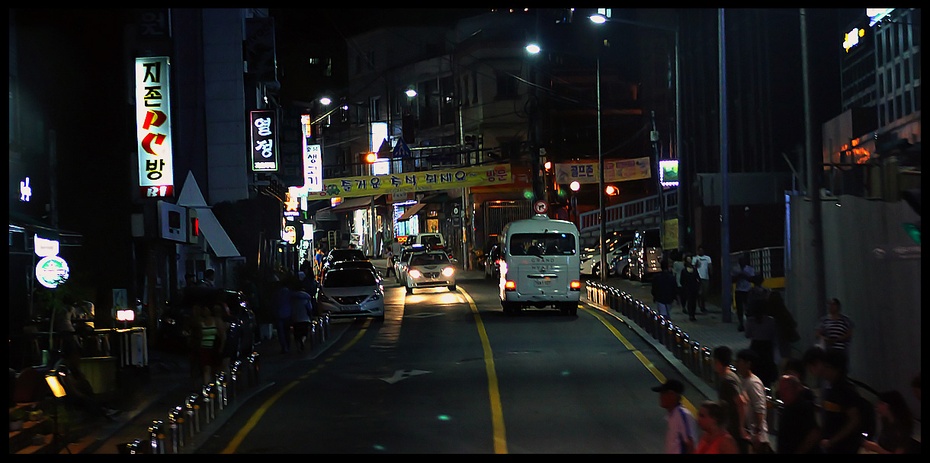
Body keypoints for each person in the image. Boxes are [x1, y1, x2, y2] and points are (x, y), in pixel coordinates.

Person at [818, 348, 864, 454]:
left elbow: (854, 420)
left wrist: (832, 440)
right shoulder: (832, 388)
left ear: (836, 369)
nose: (823, 371)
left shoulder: (845, 390)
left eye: (826, 367)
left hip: (844, 447)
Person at [712, 346, 748, 454]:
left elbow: (741, 401)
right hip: (732, 427)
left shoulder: (728, 380)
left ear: (718, 362)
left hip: (734, 429)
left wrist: (741, 427)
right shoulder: (731, 376)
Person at [735, 348, 772, 454]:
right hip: (750, 434)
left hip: (757, 437)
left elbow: (759, 408)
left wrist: (757, 432)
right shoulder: (743, 380)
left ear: (748, 364)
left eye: (740, 362)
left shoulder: (754, 383)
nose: (737, 364)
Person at [775, 374, 821, 454]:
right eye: (781, 390)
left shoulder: (803, 407)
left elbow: (813, 434)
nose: (782, 393)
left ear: (795, 389)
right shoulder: (788, 408)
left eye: (785, 389)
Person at [859, 390, 916, 454]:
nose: (877, 406)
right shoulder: (885, 421)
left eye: (880, 403)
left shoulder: (902, 428)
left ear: (887, 406)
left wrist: (876, 448)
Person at [651, 379, 697, 454]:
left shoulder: (683, 415)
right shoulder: (672, 415)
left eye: (663, 393)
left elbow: (691, 444)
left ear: (672, 395)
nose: (660, 397)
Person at [744, 299, 779, 388]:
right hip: (767, 348)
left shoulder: (751, 321)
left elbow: (747, 334)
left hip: (756, 346)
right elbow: (774, 335)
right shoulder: (771, 320)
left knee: (755, 371)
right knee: (767, 373)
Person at [767, 291, 800, 366]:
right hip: (784, 337)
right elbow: (793, 323)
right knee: (785, 355)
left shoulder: (768, 314)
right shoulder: (783, 311)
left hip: (772, 340)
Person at [289, 277, 314, 352]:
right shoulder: (306, 298)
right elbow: (309, 308)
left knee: (296, 334)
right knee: (304, 333)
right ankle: (303, 341)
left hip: (295, 319)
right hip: (305, 318)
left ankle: (298, 348)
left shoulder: (292, 298)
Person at [731, 254, 754, 331]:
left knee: (748, 307)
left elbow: (752, 279)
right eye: (740, 261)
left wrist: (745, 275)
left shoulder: (750, 269)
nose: (742, 262)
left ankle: (748, 323)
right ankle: (741, 323)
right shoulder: (735, 268)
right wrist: (738, 276)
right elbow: (732, 280)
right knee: (739, 308)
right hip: (739, 290)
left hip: (747, 290)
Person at [273, 276, 293, 354]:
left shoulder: (276, 293)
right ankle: (287, 346)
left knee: (281, 332)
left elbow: (273, 303)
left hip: (279, 314)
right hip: (287, 313)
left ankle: (284, 347)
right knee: (287, 331)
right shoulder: (288, 292)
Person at [691, 245, 712, 313]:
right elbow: (693, 267)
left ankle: (703, 305)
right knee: (699, 292)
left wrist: (711, 273)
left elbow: (710, 266)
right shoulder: (695, 258)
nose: (701, 251)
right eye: (699, 250)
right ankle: (701, 306)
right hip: (698, 278)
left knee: (705, 293)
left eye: (702, 250)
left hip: (705, 277)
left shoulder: (707, 258)